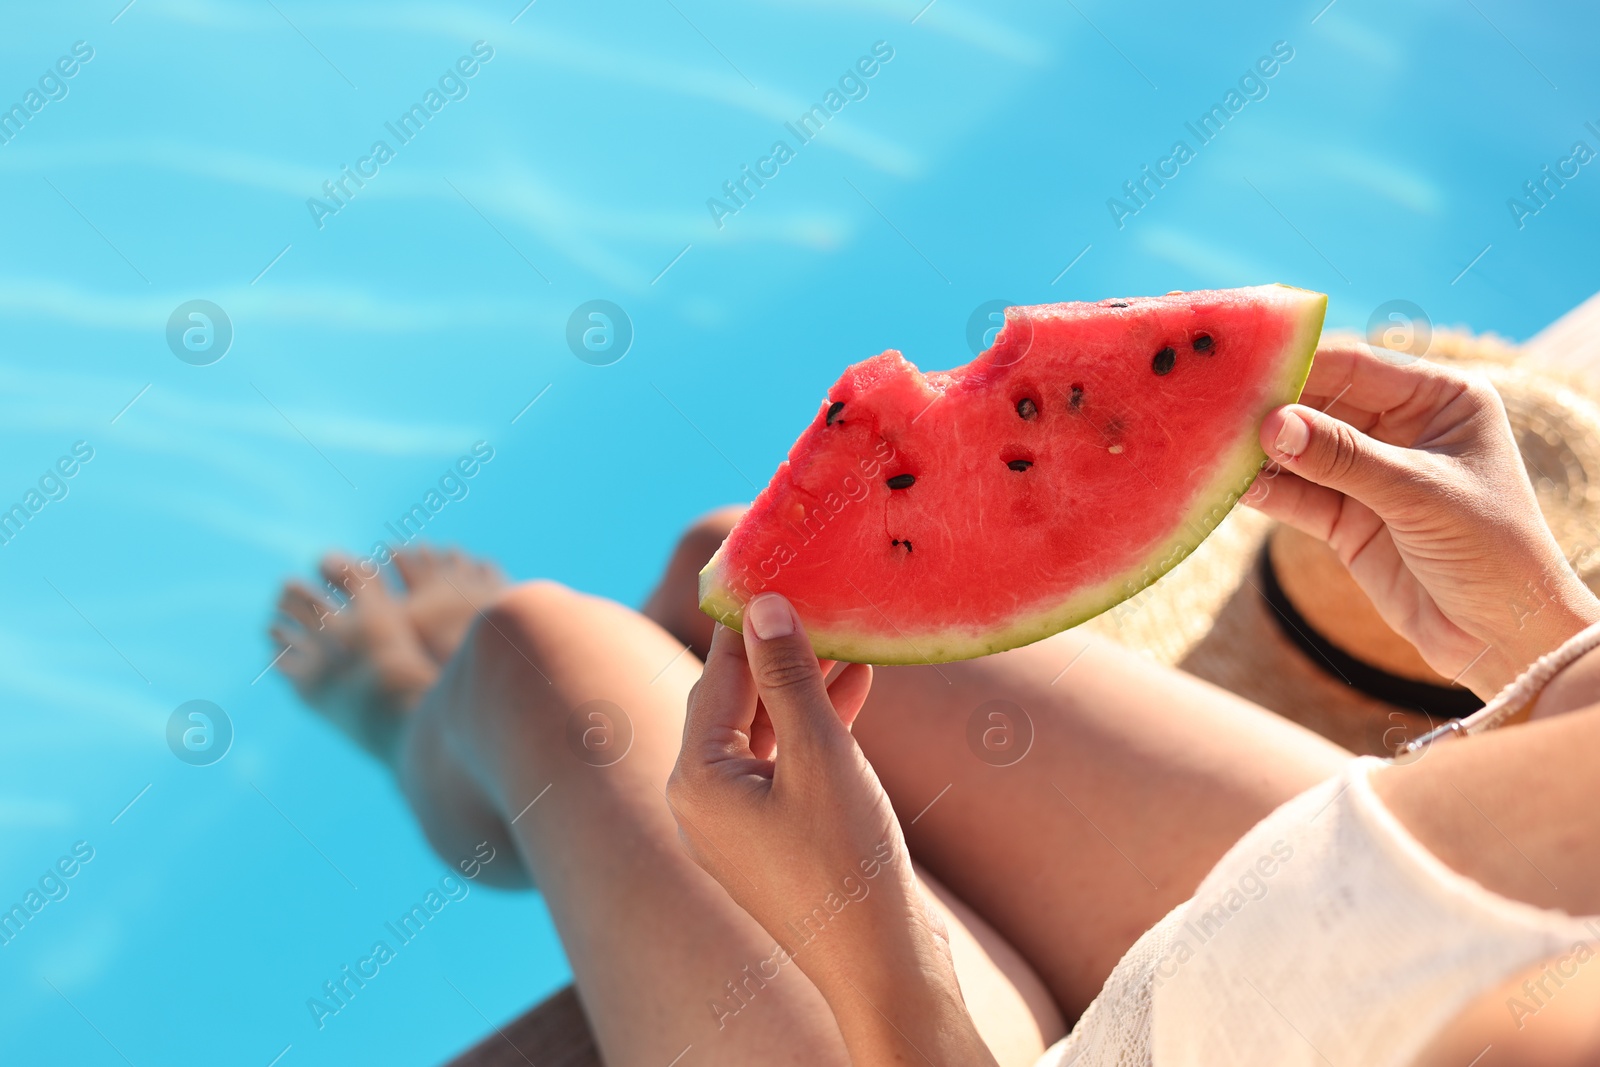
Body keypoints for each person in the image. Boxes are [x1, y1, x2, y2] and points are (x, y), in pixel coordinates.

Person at [271, 339, 1600, 1066]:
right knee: (742, 568)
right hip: (1348, 931)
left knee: (532, 650)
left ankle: (417, 725)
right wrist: (1540, 650)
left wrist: (878, 962)